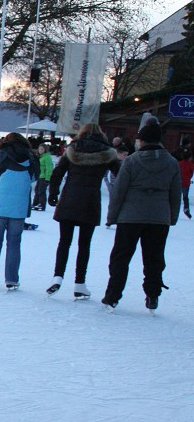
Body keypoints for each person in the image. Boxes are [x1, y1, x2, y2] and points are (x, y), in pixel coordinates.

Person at [101, 120, 181, 312]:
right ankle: (153, 295)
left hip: (130, 216)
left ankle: (112, 296)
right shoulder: (171, 163)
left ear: (142, 142)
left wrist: (112, 216)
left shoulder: (131, 161)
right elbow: (175, 193)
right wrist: (172, 216)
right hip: (159, 217)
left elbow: (119, 191)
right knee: (154, 259)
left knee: (121, 257)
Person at [44, 125, 119, 299]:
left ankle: (57, 277)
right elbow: (121, 174)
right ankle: (79, 284)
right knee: (84, 245)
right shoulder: (107, 153)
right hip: (90, 201)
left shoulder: (72, 150)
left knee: (64, 242)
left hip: (70, 199)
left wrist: (53, 193)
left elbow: (58, 172)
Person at [0, 132, 39, 290]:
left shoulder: (1, 153)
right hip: (20, 207)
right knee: (14, 243)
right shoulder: (31, 155)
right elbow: (35, 177)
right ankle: (12, 279)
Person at [31, 141, 54, 211]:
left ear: (45, 150)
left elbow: (49, 168)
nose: (40, 150)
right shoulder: (39, 157)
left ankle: (41, 204)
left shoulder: (47, 157)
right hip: (39, 176)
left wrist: (48, 178)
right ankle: (35, 203)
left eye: (42, 149)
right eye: (40, 149)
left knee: (41, 191)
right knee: (37, 190)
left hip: (44, 177)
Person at [178, 149, 193, 219]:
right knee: (185, 197)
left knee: (176, 196)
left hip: (178, 182)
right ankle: (186, 209)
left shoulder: (179, 163)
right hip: (186, 183)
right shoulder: (191, 164)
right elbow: (191, 174)